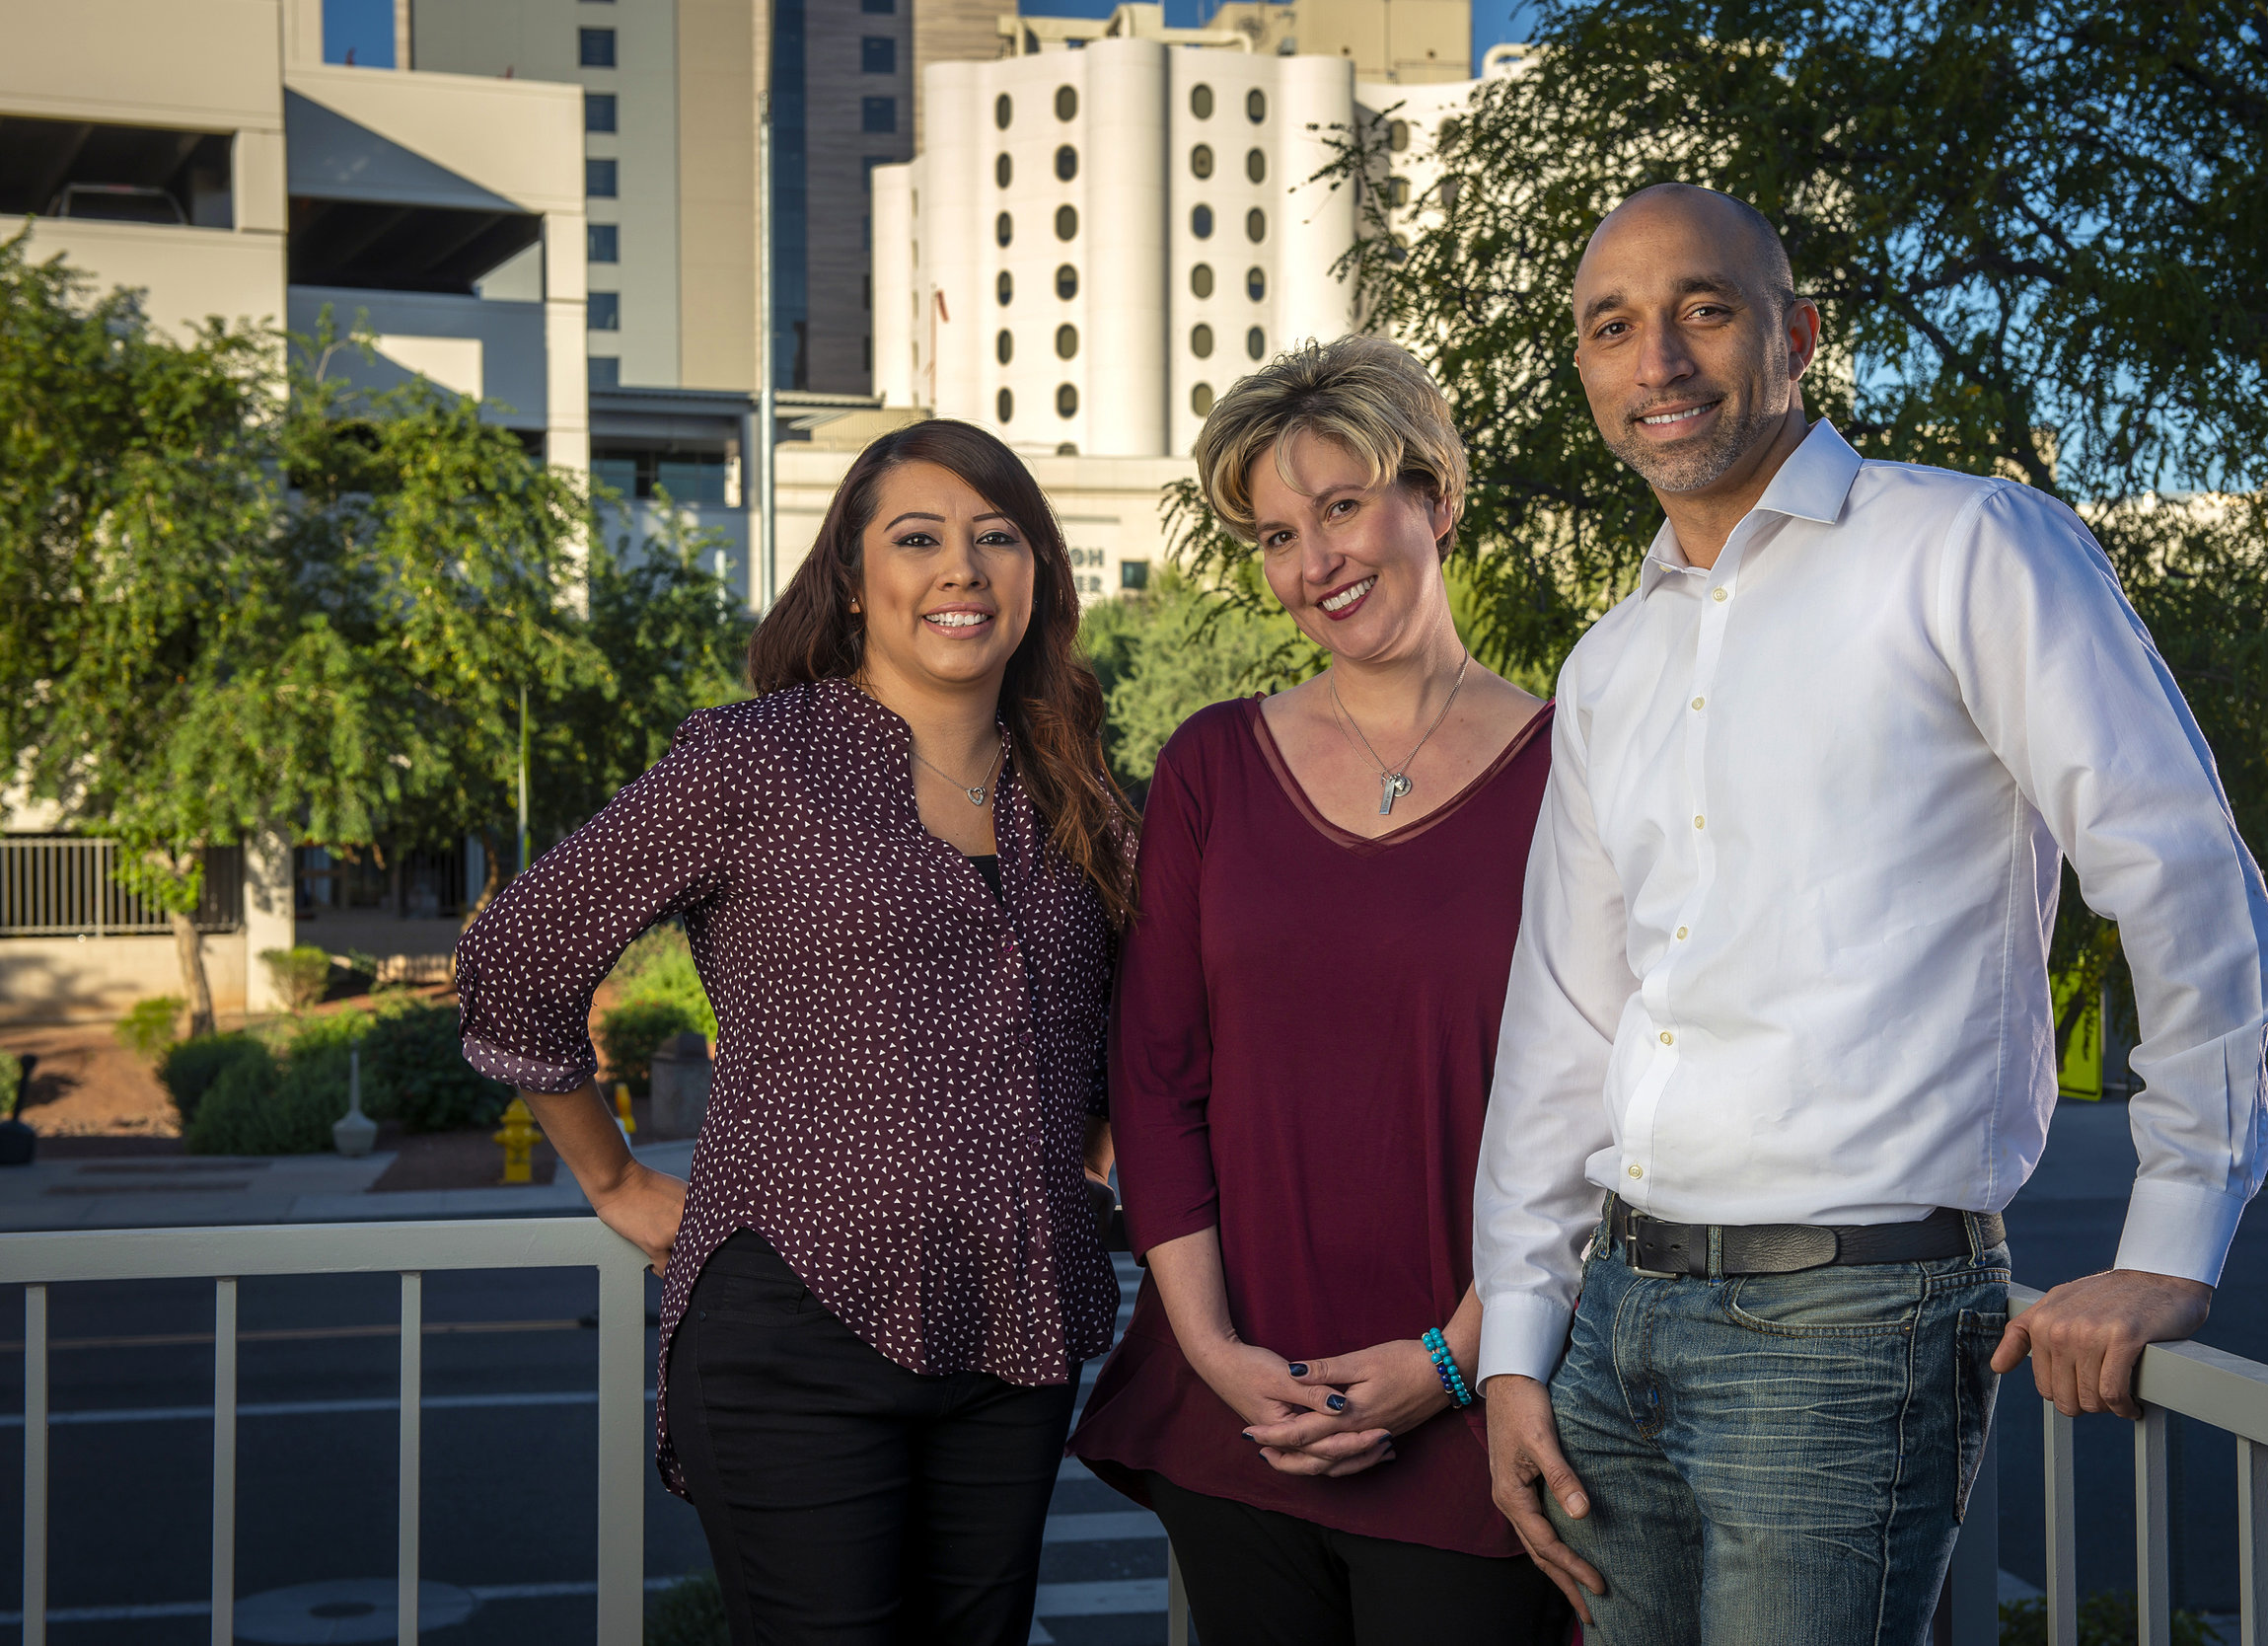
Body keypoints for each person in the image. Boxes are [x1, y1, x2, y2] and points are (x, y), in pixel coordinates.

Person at [1473, 185, 2268, 1644]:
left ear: (1800, 336)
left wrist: (2175, 1232)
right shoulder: (1610, 663)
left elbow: (2179, 867)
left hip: (1849, 1333)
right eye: (1613, 326)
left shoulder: (1969, 547)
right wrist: (1521, 1346)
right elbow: (1569, 1017)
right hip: (1617, 1326)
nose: (1656, 358)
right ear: (1585, 368)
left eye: (1702, 310)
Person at [453, 419, 1135, 1646]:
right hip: (793, 1335)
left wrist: (1074, 1163)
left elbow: (1131, 1020)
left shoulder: (1079, 790)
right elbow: (517, 961)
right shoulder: (754, 763)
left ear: (1039, 571)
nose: (961, 570)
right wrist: (611, 1179)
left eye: (998, 537)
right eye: (917, 538)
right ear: (853, 577)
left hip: (1015, 1342)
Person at [1070, 336, 1573, 1645]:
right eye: (1275, 534)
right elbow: (1159, 1073)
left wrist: (1453, 1358)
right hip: (1247, 1415)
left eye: (1342, 507)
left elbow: (1604, 1100)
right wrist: (1215, 1355)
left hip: (1476, 1409)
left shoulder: (1577, 766)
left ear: (1437, 499)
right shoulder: (1212, 766)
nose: (1314, 564)